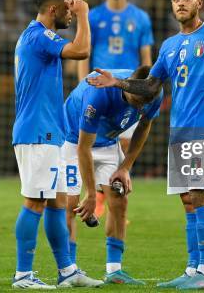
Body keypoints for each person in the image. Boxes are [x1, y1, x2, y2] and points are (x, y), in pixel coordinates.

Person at [88, 0, 204, 290]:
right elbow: (150, 87)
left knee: (201, 196)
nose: (181, 3)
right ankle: (192, 269)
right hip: (179, 132)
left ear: (199, 2)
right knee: (187, 200)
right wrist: (116, 83)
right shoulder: (170, 46)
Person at [11, 0, 102, 289]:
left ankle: (67, 271)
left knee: (57, 202)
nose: (71, 10)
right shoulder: (39, 36)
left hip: (49, 131)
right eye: (67, 6)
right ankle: (23, 275)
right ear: (53, 10)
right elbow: (81, 50)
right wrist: (85, 16)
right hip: (37, 132)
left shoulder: (37, 37)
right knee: (35, 201)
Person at [64, 66, 163, 285]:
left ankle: (114, 271)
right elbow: (83, 148)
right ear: (125, 84)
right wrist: (91, 194)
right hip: (72, 139)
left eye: (143, 103)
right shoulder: (98, 93)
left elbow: (144, 126)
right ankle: (69, 270)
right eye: (135, 101)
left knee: (120, 200)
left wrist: (125, 167)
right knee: (70, 203)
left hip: (108, 143)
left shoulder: (153, 92)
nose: (139, 106)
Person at [78, 0, 154, 216]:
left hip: (129, 92)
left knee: (123, 143)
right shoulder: (95, 17)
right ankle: (99, 196)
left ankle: (107, 199)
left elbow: (145, 58)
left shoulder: (141, 18)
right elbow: (84, 54)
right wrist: (83, 84)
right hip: (100, 89)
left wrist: (148, 86)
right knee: (91, 141)